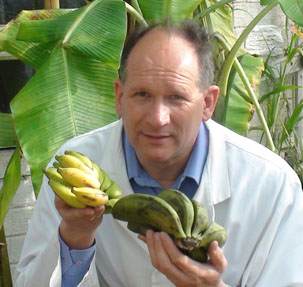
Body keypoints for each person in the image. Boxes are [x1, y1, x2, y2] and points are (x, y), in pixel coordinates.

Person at [15, 19, 303, 287]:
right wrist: (74, 237)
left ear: (208, 103)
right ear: (119, 97)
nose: (157, 118)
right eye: (142, 95)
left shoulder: (274, 186)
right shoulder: (76, 169)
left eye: (176, 97)